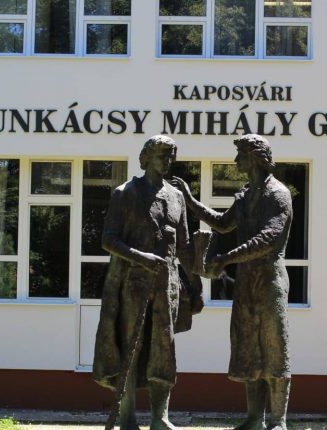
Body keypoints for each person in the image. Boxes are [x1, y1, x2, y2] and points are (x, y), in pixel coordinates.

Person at [171, 134, 293, 430]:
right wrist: (190, 200)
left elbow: (267, 239)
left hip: (270, 281)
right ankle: (254, 418)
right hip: (246, 282)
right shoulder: (246, 195)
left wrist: (226, 258)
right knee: (248, 347)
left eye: (241, 155)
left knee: (274, 347)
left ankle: (278, 421)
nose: (236, 160)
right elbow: (223, 224)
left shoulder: (278, 194)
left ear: (255, 157)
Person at [92, 135, 199, 430]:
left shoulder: (176, 197)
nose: (167, 161)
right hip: (132, 285)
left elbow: (184, 247)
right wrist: (141, 257)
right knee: (131, 348)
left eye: (171, 156)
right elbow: (108, 239)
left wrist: (196, 282)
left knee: (164, 350)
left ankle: (159, 418)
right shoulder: (125, 193)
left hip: (167, 287)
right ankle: (127, 418)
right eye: (162, 155)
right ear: (147, 157)